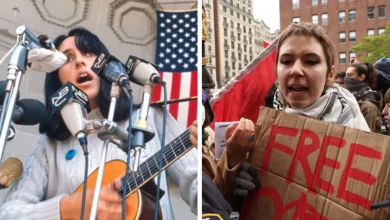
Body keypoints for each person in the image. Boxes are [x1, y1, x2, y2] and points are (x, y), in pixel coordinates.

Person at [0, 28, 198, 219]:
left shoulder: (151, 117)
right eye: (68, 58)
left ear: (106, 66)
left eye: (89, 53)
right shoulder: (47, 147)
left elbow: (197, 182)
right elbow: (7, 214)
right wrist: (66, 208)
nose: (79, 61)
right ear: (57, 79)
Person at [213, 22, 370, 210]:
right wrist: (234, 168)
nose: (295, 70)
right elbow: (219, 201)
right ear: (277, 72)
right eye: (286, 61)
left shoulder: (359, 133)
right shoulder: (261, 132)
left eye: (311, 61)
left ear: (330, 73)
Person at [345, 63, 382, 133]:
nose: (346, 79)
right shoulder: (351, 98)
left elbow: (366, 136)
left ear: (361, 77)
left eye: (350, 75)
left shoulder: (368, 106)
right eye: (346, 75)